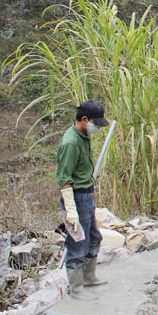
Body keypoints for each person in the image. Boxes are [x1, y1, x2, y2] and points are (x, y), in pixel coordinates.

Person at [57, 100, 109, 301]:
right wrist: (71, 211)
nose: (97, 127)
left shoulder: (83, 135)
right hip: (76, 197)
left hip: (87, 194)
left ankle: (89, 277)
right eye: (96, 123)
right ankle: (77, 288)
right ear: (85, 119)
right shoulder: (70, 143)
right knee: (78, 242)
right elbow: (64, 179)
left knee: (94, 237)